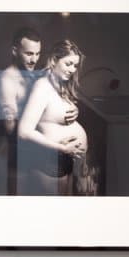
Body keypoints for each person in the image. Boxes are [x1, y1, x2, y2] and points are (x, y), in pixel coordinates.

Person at [16, 39, 96, 195]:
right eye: (68, 64)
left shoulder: (61, 83)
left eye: (75, 65)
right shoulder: (42, 86)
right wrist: (63, 148)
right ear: (54, 60)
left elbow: (52, 115)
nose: (73, 69)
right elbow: (24, 131)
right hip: (51, 161)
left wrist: (74, 111)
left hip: (67, 160)